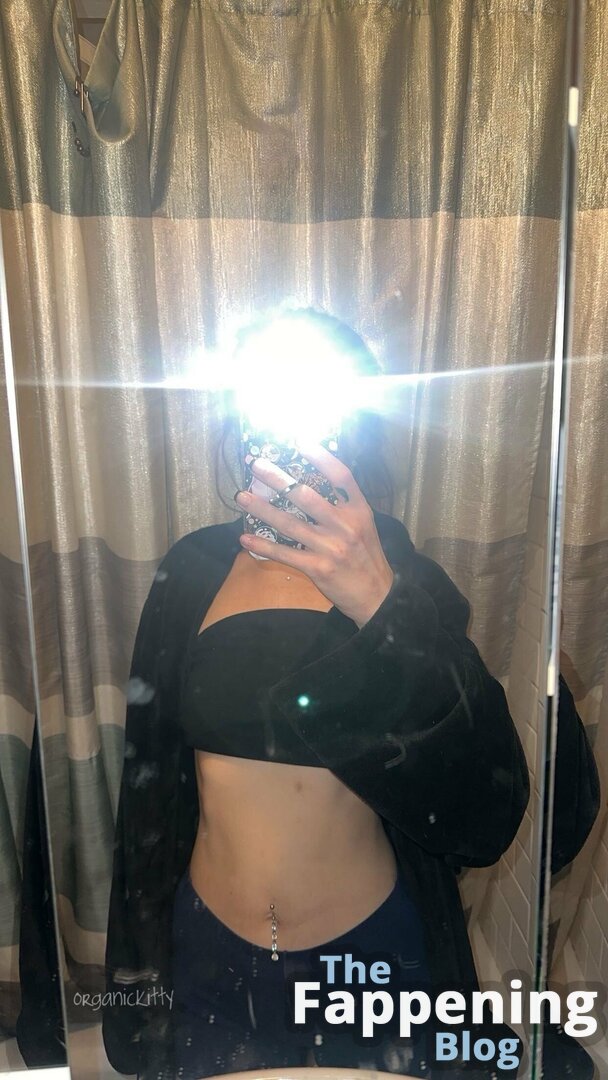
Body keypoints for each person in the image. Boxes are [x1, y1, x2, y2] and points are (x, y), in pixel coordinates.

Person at [103, 307, 531, 1080]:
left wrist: (381, 602)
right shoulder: (193, 571)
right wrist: (135, 977)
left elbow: (483, 816)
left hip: (369, 961)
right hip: (206, 950)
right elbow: (149, 792)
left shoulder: (403, 578)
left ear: (354, 420)